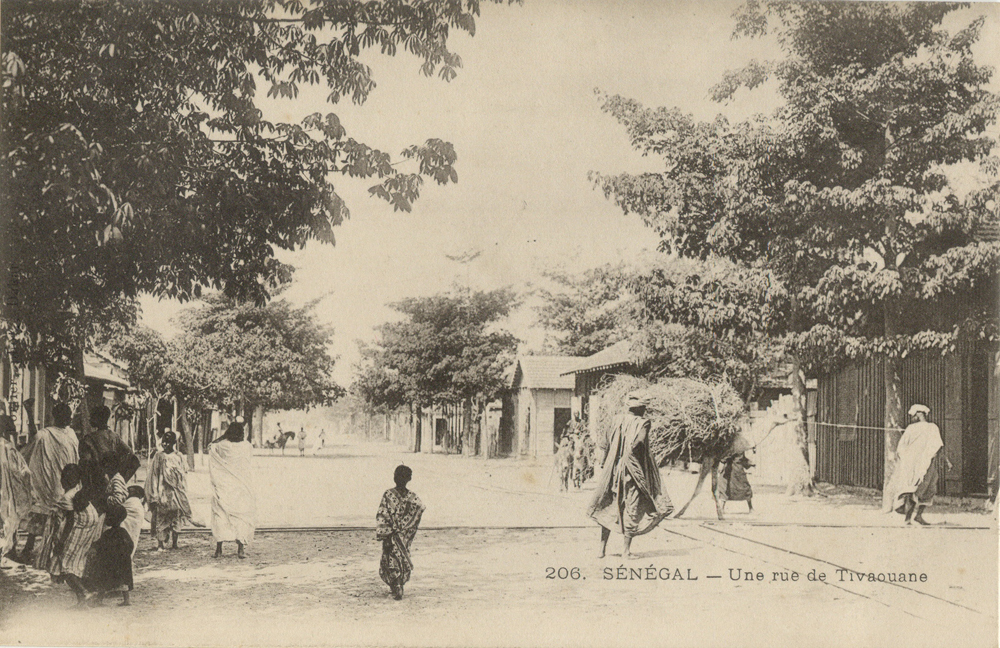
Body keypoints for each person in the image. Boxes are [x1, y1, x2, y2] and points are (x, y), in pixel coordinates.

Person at [588, 393, 673, 559]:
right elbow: (639, 442)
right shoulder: (643, 423)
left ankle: (601, 549)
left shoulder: (615, 419)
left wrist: (607, 461)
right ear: (640, 408)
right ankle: (626, 551)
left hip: (612, 470)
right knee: (632, 505)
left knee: (610, 505)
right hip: (630, 471)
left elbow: (604, 444)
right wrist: (633, 454)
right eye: (644, 408)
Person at [17, 402, 78, 564]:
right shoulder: (69, 435)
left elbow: (26, 452)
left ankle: (30, 548)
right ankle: (52, 550)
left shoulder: (45, 435)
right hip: (63, 483)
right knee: (58, 517)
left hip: (50, 483)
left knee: (42, 514)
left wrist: (30, 413)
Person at [887, 404, 948, 525]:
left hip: (926, 463)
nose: (912, 417)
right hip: (913, 464)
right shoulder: (911, 428)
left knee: (928, 489)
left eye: (914, 415)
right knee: (912, 489)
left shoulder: (932, 428)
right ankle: (908, 518)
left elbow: (937, 446)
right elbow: (902, 446)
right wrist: (908, 459)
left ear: (920, 414)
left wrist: (944, 460)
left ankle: (918, 516)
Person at [376, 465, 425, 600]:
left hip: (392, 535)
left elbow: (382, 514)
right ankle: (398, 584)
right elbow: (420, 508)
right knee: (401, 558)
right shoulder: (412, 497)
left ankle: (397, 585)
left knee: (392, 559)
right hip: (402, 536)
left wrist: (387, 533)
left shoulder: (389, 494)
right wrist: (406, 527)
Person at [210, 422, 256, 559]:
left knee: (220, 515)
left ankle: (218, 550)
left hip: (224, 485)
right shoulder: (246, 446)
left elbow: (211, 447)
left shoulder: (221, 445)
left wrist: (220, 438)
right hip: (241, 486)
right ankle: (240, 550)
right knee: (241, 516)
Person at [146, 430, 193, 550]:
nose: (165, 444)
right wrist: (154, 494)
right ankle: (160, 544)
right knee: (161, 517)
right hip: (163, 491)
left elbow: (184, 472)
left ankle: (175, 543)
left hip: (176, 492)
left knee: (176, 516)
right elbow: (154, 475)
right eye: (163, 442)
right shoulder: (159, 456)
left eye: (168, 442)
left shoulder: (179, 456)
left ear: (173, 443)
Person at [83, 501, 133, 606]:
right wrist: (126, 555)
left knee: (103, 580)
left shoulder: (108, 533)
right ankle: (126, 600)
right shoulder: (123, 532)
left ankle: (99, 600)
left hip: (110, 562)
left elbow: (100, 545)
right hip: (123, 561)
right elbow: (130, 544)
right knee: (124, 581)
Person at [78, 405, 132, 499]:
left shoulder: (88, 439)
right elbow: (129, 453)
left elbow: (85, 462)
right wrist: (122, 475)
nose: (90, 419)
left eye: (91, 417)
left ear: (96, 419)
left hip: (95, 481)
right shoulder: (114, 436)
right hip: (112, 479)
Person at [0, 416, 31, 568]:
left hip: (3, 488)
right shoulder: (8, 447)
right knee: (9, 517)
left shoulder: (8, 447)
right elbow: (23, 471)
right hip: (5, 491)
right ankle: (8, 551)